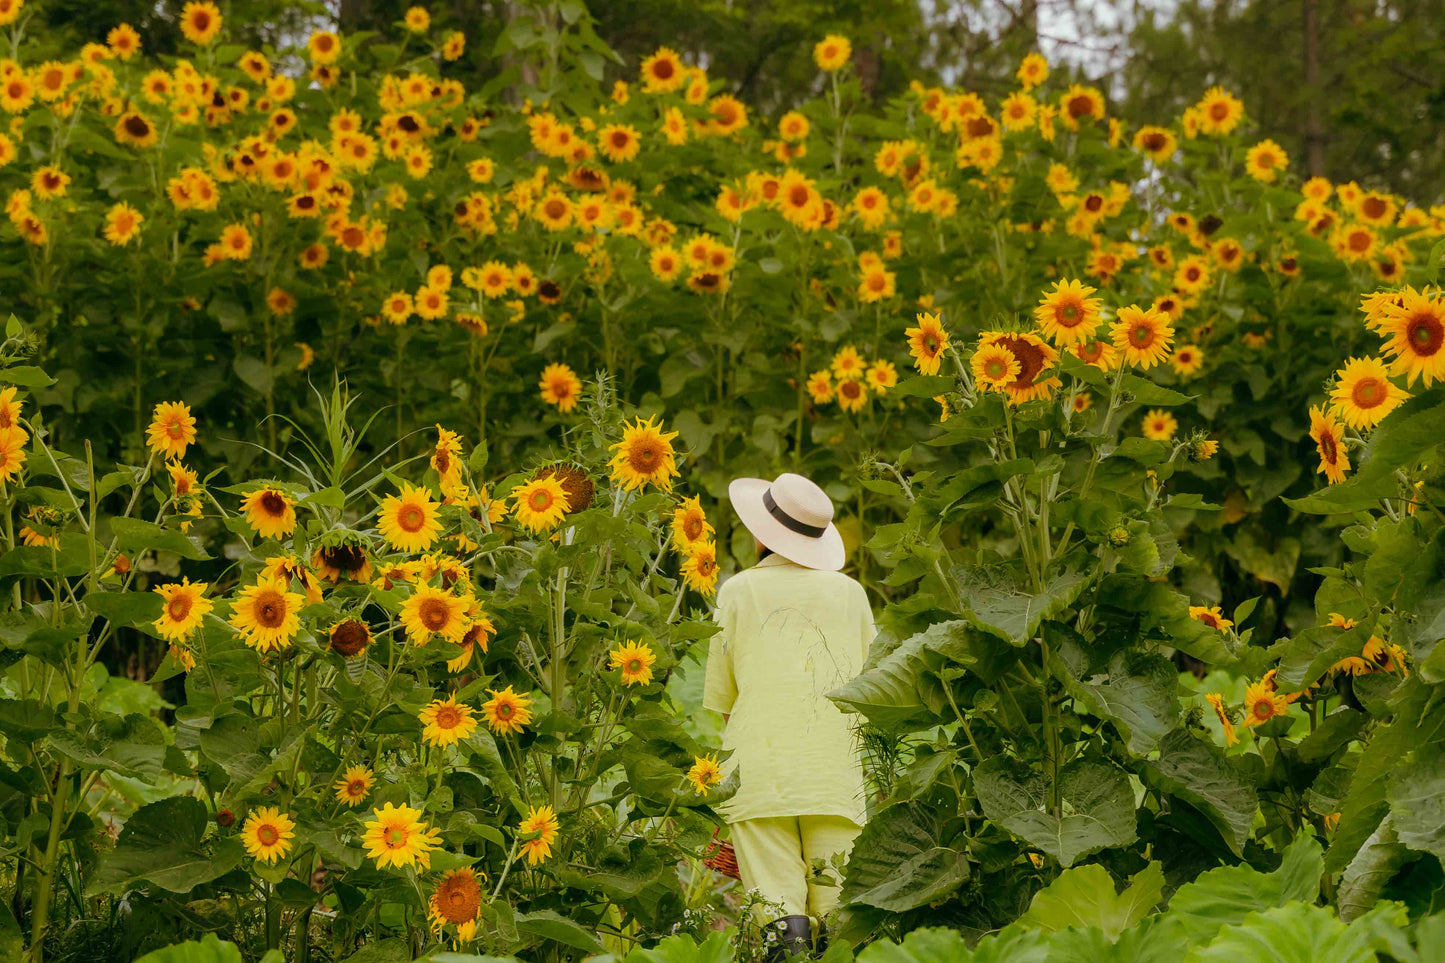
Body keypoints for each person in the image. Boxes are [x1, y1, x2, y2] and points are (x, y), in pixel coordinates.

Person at [703, 472, 876, 960]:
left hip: (760, 770)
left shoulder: (737, 591)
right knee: (840, 917)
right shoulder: (853, 595)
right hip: (837, 772)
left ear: (761, 533)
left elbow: (724, 700)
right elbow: (869, 687)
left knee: (779, 915)